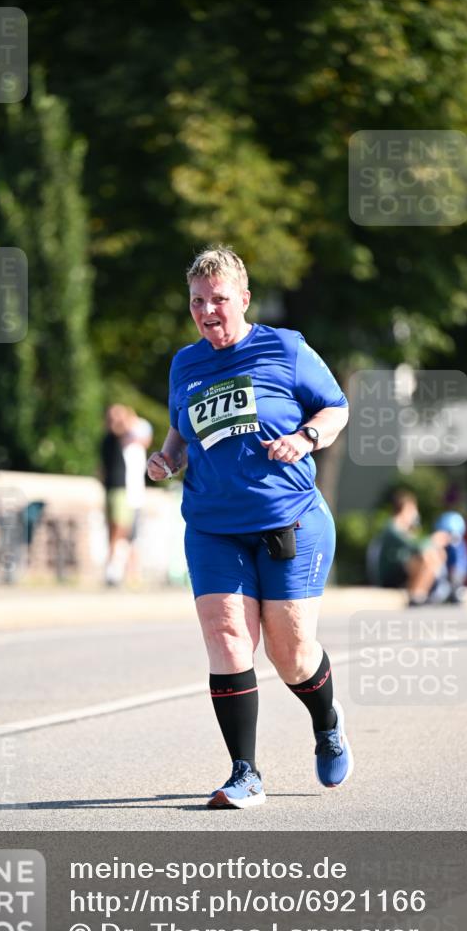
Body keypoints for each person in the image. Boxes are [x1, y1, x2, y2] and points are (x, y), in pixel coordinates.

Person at [147, 245, 352, 809]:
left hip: (289, 520)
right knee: (228, 636)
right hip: (212, 525)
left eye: (217, 299)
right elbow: (181, 430)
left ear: (243, 299)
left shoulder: (284, 349)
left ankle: (327, 722)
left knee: (291, 653)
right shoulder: (185, 363)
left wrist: (306, 438)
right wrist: (167, 459)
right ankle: (245, 773)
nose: (207, 311)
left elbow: (336, 408)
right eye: (197, 301)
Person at [101, 404, 152, 586]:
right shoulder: (111, 438)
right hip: (119, 489)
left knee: (130, 534)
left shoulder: (131, 437)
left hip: (131, 492)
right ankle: (113, 569)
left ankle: (130, 573)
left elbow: (144, 436)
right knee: (118, 530)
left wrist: (129, 417)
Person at [375, 490, 449, 605]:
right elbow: (415, 547)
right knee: (427, 558)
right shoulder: (392, 528)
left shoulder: (405, 529)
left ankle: (421, 594)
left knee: (435, 555)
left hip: (402, 570)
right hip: (391, 574)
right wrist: (433, 540)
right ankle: (417, 594)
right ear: (406, 509)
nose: (415, 514)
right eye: (414, 510)